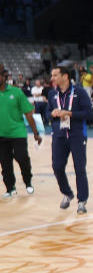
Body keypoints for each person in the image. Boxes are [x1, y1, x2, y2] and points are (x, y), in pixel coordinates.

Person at [46, 65, 92, 213]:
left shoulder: (80, 92)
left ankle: (82, 201)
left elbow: (88, 113)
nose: (52, 78)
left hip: (77, 135)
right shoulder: (53, 94)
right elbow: (46, 113)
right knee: (57, 167)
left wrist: (70, 113)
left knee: (79, 168)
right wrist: (52, 114)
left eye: (54, 75)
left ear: (65, 76)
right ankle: (67, 193)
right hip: (59, 135)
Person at [0, 67, 42, 198]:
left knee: (22, 157)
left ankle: (28, 182)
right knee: (5, 163)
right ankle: (10, 188)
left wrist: (35, 132)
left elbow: (28, 113)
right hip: (1, 135)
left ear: (3, 77)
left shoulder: (16, 92)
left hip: (18, 133)